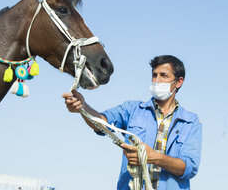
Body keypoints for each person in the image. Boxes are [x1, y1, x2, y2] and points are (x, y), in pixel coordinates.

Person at [62, 55, 202, 190]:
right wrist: (83, 107)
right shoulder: (133, 109)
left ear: (178, 82)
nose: (157, 80)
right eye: (154, 75)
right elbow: (101, 123)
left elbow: (188, 168)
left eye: (163, 75)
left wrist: (154, 157)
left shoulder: (190, 122)